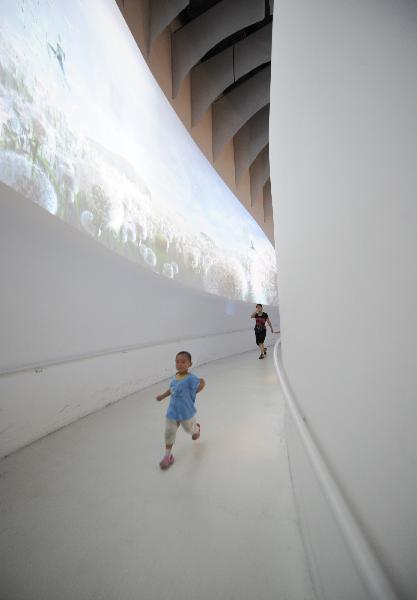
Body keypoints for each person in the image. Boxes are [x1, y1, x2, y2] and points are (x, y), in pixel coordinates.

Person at [156, 351, 205, 470]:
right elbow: (171, 390)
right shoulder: (174, 377)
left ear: (190, 363)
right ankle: (168, 456)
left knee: (189, 430)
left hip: (186, 412)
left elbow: (198, 386)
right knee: (169, 432)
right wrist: (162, 396)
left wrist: (200, 386)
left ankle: (196, 429)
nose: (180, 364)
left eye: (183, 362)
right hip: (172, 412)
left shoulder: (191, 378)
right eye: (177, 362)